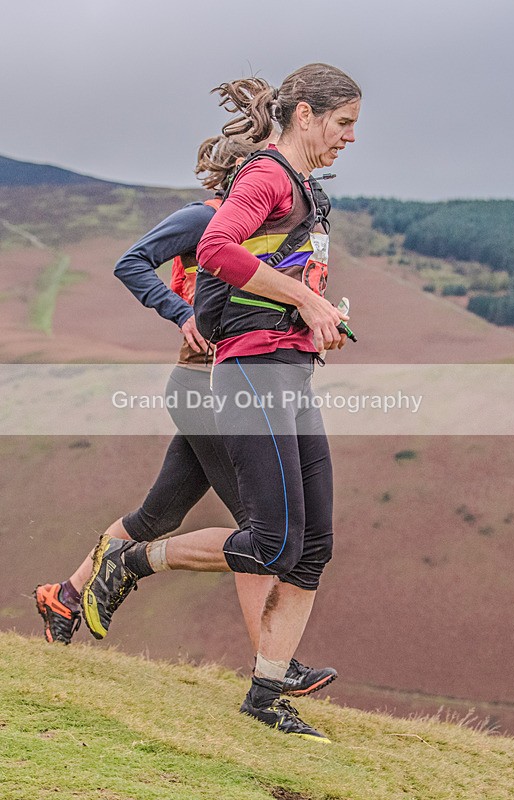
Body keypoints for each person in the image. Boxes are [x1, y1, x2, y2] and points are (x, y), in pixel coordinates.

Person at [82, 63, 361, 742]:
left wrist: (322, 315)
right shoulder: (266, 175)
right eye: (344, 123)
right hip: (251, 374)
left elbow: (284, 272)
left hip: (291, 372)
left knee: (312, 547)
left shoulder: (306, 190)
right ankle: (129, 561)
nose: (351, 137)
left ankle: (267, 694)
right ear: (305, 115)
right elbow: (215, 246)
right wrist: (305, 300)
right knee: (270, 541)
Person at [34, 131, 336, 699]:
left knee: (157, 514)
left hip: (211, 386)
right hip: (208, 385)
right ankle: (274, 667)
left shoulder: (270, 229)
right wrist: (180, 313)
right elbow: (132, 262)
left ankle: (65, 597)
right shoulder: (207, 218)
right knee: (263, 531)